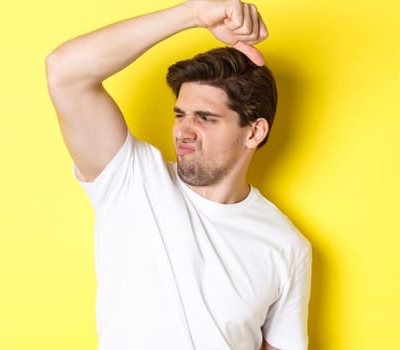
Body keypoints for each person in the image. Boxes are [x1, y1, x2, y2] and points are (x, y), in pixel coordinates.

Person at [44, 1, 312, 349]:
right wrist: (195, 15)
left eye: (205, 118)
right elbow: (64, 71)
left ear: (254, 132)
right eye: (180, 114)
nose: (184, 131)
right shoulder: (131, 180)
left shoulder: (286, 247)